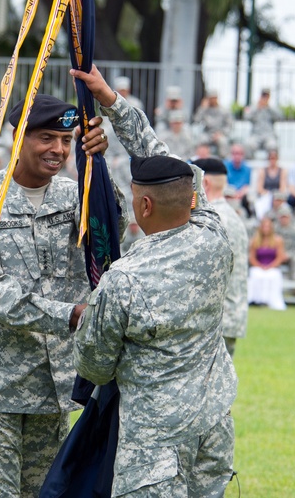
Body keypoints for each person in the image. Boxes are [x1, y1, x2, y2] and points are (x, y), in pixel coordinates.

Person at [0, 94, 113, 498]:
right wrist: (68, 315)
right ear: (17, 138)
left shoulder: (78, 196)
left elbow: (114, 239)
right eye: (45, 138)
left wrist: (99, 169)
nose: (57, 149)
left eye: (65, 140)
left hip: (53, 393)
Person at [73, 155, 237, 497]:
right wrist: (116, 108)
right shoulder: (215, 240)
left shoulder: (122, 278)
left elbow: (96, 368)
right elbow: (191, 184)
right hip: (212, 428)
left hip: (153, 443)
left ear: (144, 205)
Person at [197, 157, 249, 358]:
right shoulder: (232, 216)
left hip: (213, 320)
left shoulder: (211, 218)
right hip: (228, 315)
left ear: (205, 183)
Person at [247, 216, 287, 310]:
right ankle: (256, 300)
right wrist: (260, 266)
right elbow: (252, 257)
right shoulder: (255, 241)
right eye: (264, 226)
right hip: (259, 266)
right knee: (256, 274)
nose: (266, 228)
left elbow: (280, 257)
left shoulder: (278, 240)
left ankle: (272, 301)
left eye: (268, 226)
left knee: (273, 276)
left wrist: (270, 266)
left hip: (272, 267)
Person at [192, 88, 232, 156]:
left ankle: (223, 160)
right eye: (210, 98)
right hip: (207, 134)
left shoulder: (224, 110)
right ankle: (201, 159)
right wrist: (202, 108)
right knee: (200, 140)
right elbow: (196, 120)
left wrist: (221, 133)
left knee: (223, 142)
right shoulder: (204, 109)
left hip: (220, 134)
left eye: (214, 98)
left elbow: (229, 125)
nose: (212, 100)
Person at [253, 148, 289, 219]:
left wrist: (276, 196)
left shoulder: (282, 171)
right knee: (260, 206)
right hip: (266, 195)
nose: (272, 160)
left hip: (278, 196)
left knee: (285, 208)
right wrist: (268, 194)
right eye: (271, 158)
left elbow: (283, 187)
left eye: (274, 158)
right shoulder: (263, 171)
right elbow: (259, 188)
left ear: (277, 159)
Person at [244, 88, 280, 154]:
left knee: (273, 146)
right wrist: (257, 107)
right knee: (249, 145)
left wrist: (268, 107)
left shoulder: (272, 108)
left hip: (269, 135)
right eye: (263, 95)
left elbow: (279, 117)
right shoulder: (254, 107)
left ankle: (271, 164)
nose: (265, 98)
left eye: (267, 96)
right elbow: (246, 117)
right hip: (256, 135)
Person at [223, 143, 253, 217]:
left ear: (243, 155)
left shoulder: (247, 169)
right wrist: (232, 194)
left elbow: (246, 186)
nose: (237, 156)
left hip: (241, 196)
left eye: (239, 154)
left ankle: (249, 217)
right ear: (231, 154)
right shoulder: (225, 166)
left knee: (251, 198)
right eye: (235, 153)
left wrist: (239, 194)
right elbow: (224, 182)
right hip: (228, 194)